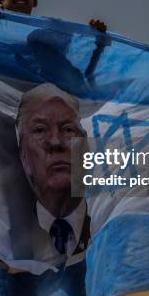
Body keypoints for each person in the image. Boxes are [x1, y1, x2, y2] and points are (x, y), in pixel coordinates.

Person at [16, 83, 90, 258]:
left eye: (68, 130)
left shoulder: (112, 227)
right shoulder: (4, 239)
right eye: (40, 130)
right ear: (24, 157)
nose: (55, 142)